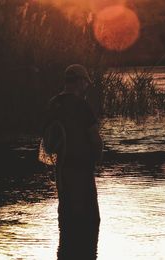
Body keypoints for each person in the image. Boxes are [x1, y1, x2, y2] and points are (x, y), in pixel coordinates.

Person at [44, 64, 103, 260]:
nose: (86, 86)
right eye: (85, 82)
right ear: (78, 81)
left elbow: (47, 139)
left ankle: (65, 252)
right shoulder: (82, 106)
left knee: (66, 217)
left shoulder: (54, 103)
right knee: (90, 220)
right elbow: (95, 139)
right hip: (82, 169)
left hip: (61, 170)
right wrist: (97, 159)